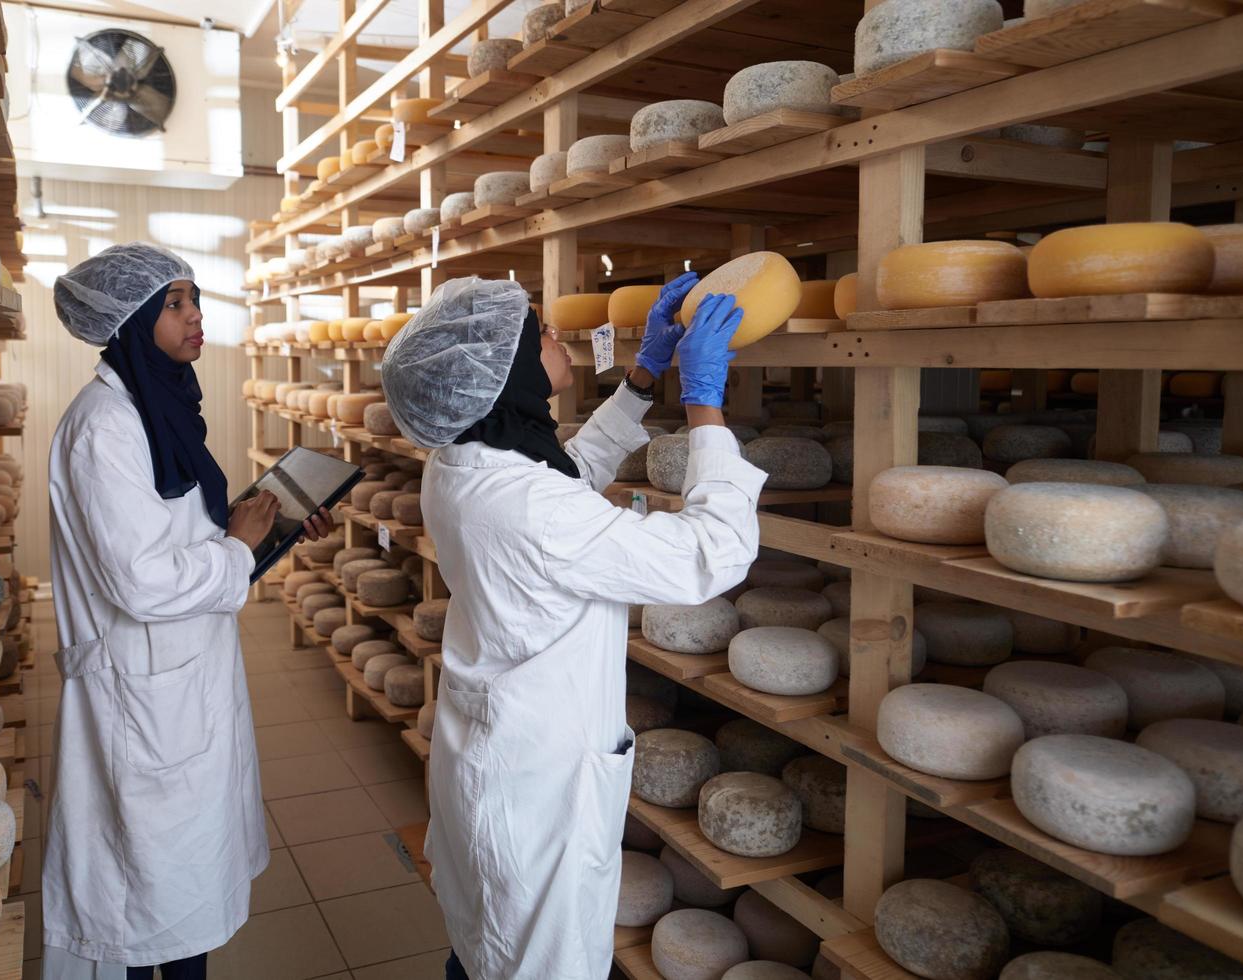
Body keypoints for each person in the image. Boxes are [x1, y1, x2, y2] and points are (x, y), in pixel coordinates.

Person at [380, 275, 767, 979]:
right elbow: (711, 555)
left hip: (502, 744)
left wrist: (643, 379)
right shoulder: (524, 505)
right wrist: (705, 403)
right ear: (504, 372)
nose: (555, 338)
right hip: (536, 774)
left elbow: (566, 476)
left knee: (489, 943)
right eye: (540, 333)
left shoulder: (466, 461)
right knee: (532, 960)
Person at [43, 242, 332, 980]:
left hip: (182, 679)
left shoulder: (159, 406)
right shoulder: (105, 426)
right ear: (133, 319)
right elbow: (141, 581)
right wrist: (236, 549)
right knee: (151, 895)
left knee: (178, 886)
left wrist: (270, 529)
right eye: (173, 303)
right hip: (141, 690)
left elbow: (178, 536)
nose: (195, 315)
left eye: (194, 298)